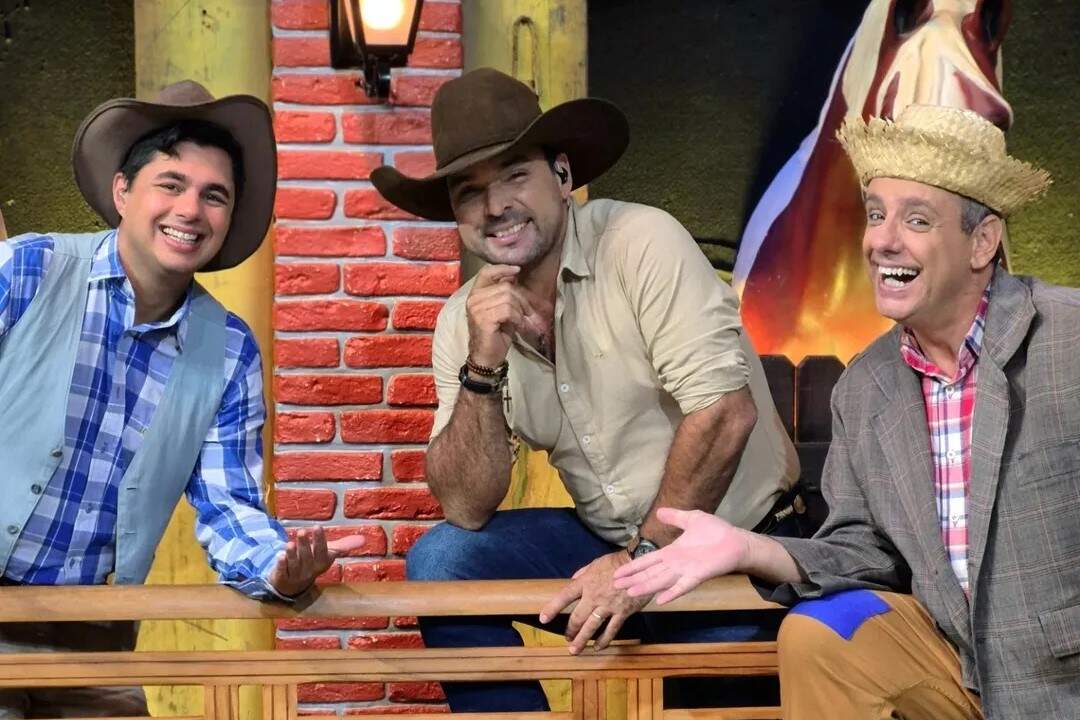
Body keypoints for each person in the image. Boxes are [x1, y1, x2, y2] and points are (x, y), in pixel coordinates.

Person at [614, 104, 1075, 720]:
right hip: (957, 664)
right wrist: (746, 548)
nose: (883, 240)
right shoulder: (866, 386)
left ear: (982, 241)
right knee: (824, 632)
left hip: (1061, 679)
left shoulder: (1068, 339)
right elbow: (864, 551)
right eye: (876, 214)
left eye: (917, 219)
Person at [369, 67, 801, 713]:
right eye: (469, 192)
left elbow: (724, 413)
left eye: (515, 175)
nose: (495, 207)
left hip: (732, 551)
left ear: (563, 175)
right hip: (609, 545)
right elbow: (465, 505)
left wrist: (639, 562)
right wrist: (483, 364)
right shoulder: (466, 318)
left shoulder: (639, 241)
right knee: (443, 561)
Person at [0, 81, 363, 717]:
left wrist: (278, 566)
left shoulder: (228, 349)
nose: (191, 209)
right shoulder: (28, 269)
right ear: (122, 191)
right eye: (171, 184)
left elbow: (230, 505)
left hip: (97, 631)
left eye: (214, 195)